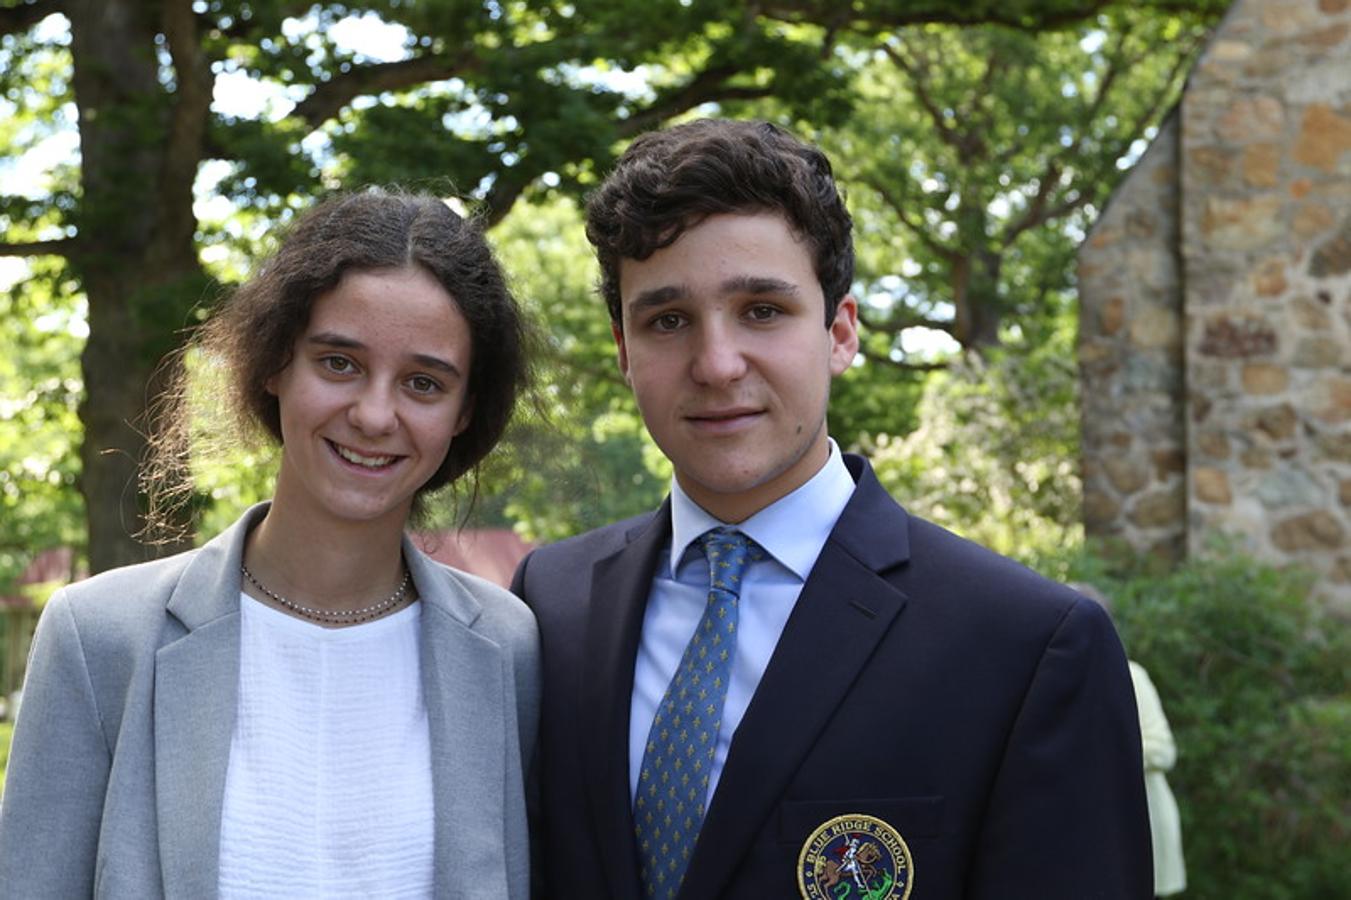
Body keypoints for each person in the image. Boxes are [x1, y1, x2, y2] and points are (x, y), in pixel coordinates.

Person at [512, 119, 1152, 899]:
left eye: (761, 310)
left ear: (840, 332)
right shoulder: (550, 603)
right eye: (667, 321)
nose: (715, 364)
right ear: (623, 350)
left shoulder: (1024, 646)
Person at [0, 189, 540, 898]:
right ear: (275, 364)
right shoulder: (99, 635)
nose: (375, 415)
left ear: (465, 411)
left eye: (422, 382)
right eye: (339, 364)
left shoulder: (507, 647)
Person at [1071, 583, 1187, 896]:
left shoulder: (1130, 675)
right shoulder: (1055, 678)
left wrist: (1094, 751)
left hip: (1140, 822)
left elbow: (1163, 749)